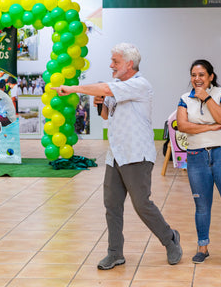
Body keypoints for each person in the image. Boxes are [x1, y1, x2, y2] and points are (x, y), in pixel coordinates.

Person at [53, 42, 182, 270]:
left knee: (142, 204)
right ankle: (115, 253)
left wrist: (73, 89)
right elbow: (106, 115)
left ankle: (170, 238)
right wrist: (100, 104)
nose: (111, 65)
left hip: (136, 154)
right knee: (112, 205)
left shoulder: (139, 84)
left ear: (129, 64)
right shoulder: (116, 85)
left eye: (115, 61)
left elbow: (104, 90)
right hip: (116, 155)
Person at [176, 59, 221, 266]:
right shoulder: (184, 98)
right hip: (196, 156)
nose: (196, 79)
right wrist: (210, 127)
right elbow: (182, 126)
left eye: (201, 75)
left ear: (211, 77)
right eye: (193, 75)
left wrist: (206, 98)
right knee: (201, 206)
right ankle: (203, 247)